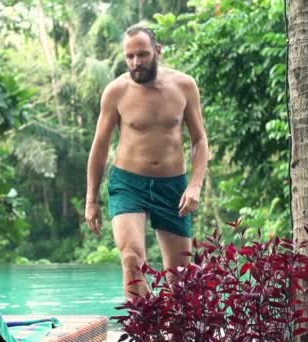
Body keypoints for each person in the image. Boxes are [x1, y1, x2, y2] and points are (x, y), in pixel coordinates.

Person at [84, 25, 209, 299]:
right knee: (131, 259)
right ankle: (143, 330)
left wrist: (195, 185)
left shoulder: (184, 86)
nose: (135, 63)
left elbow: (199, 140)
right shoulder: (116, 91)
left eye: (142, 55)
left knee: (180, 279)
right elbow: (100, 146)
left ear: (158, 51)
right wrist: (91, 199)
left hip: (173, 186)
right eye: (129, 56)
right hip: (128, 183)